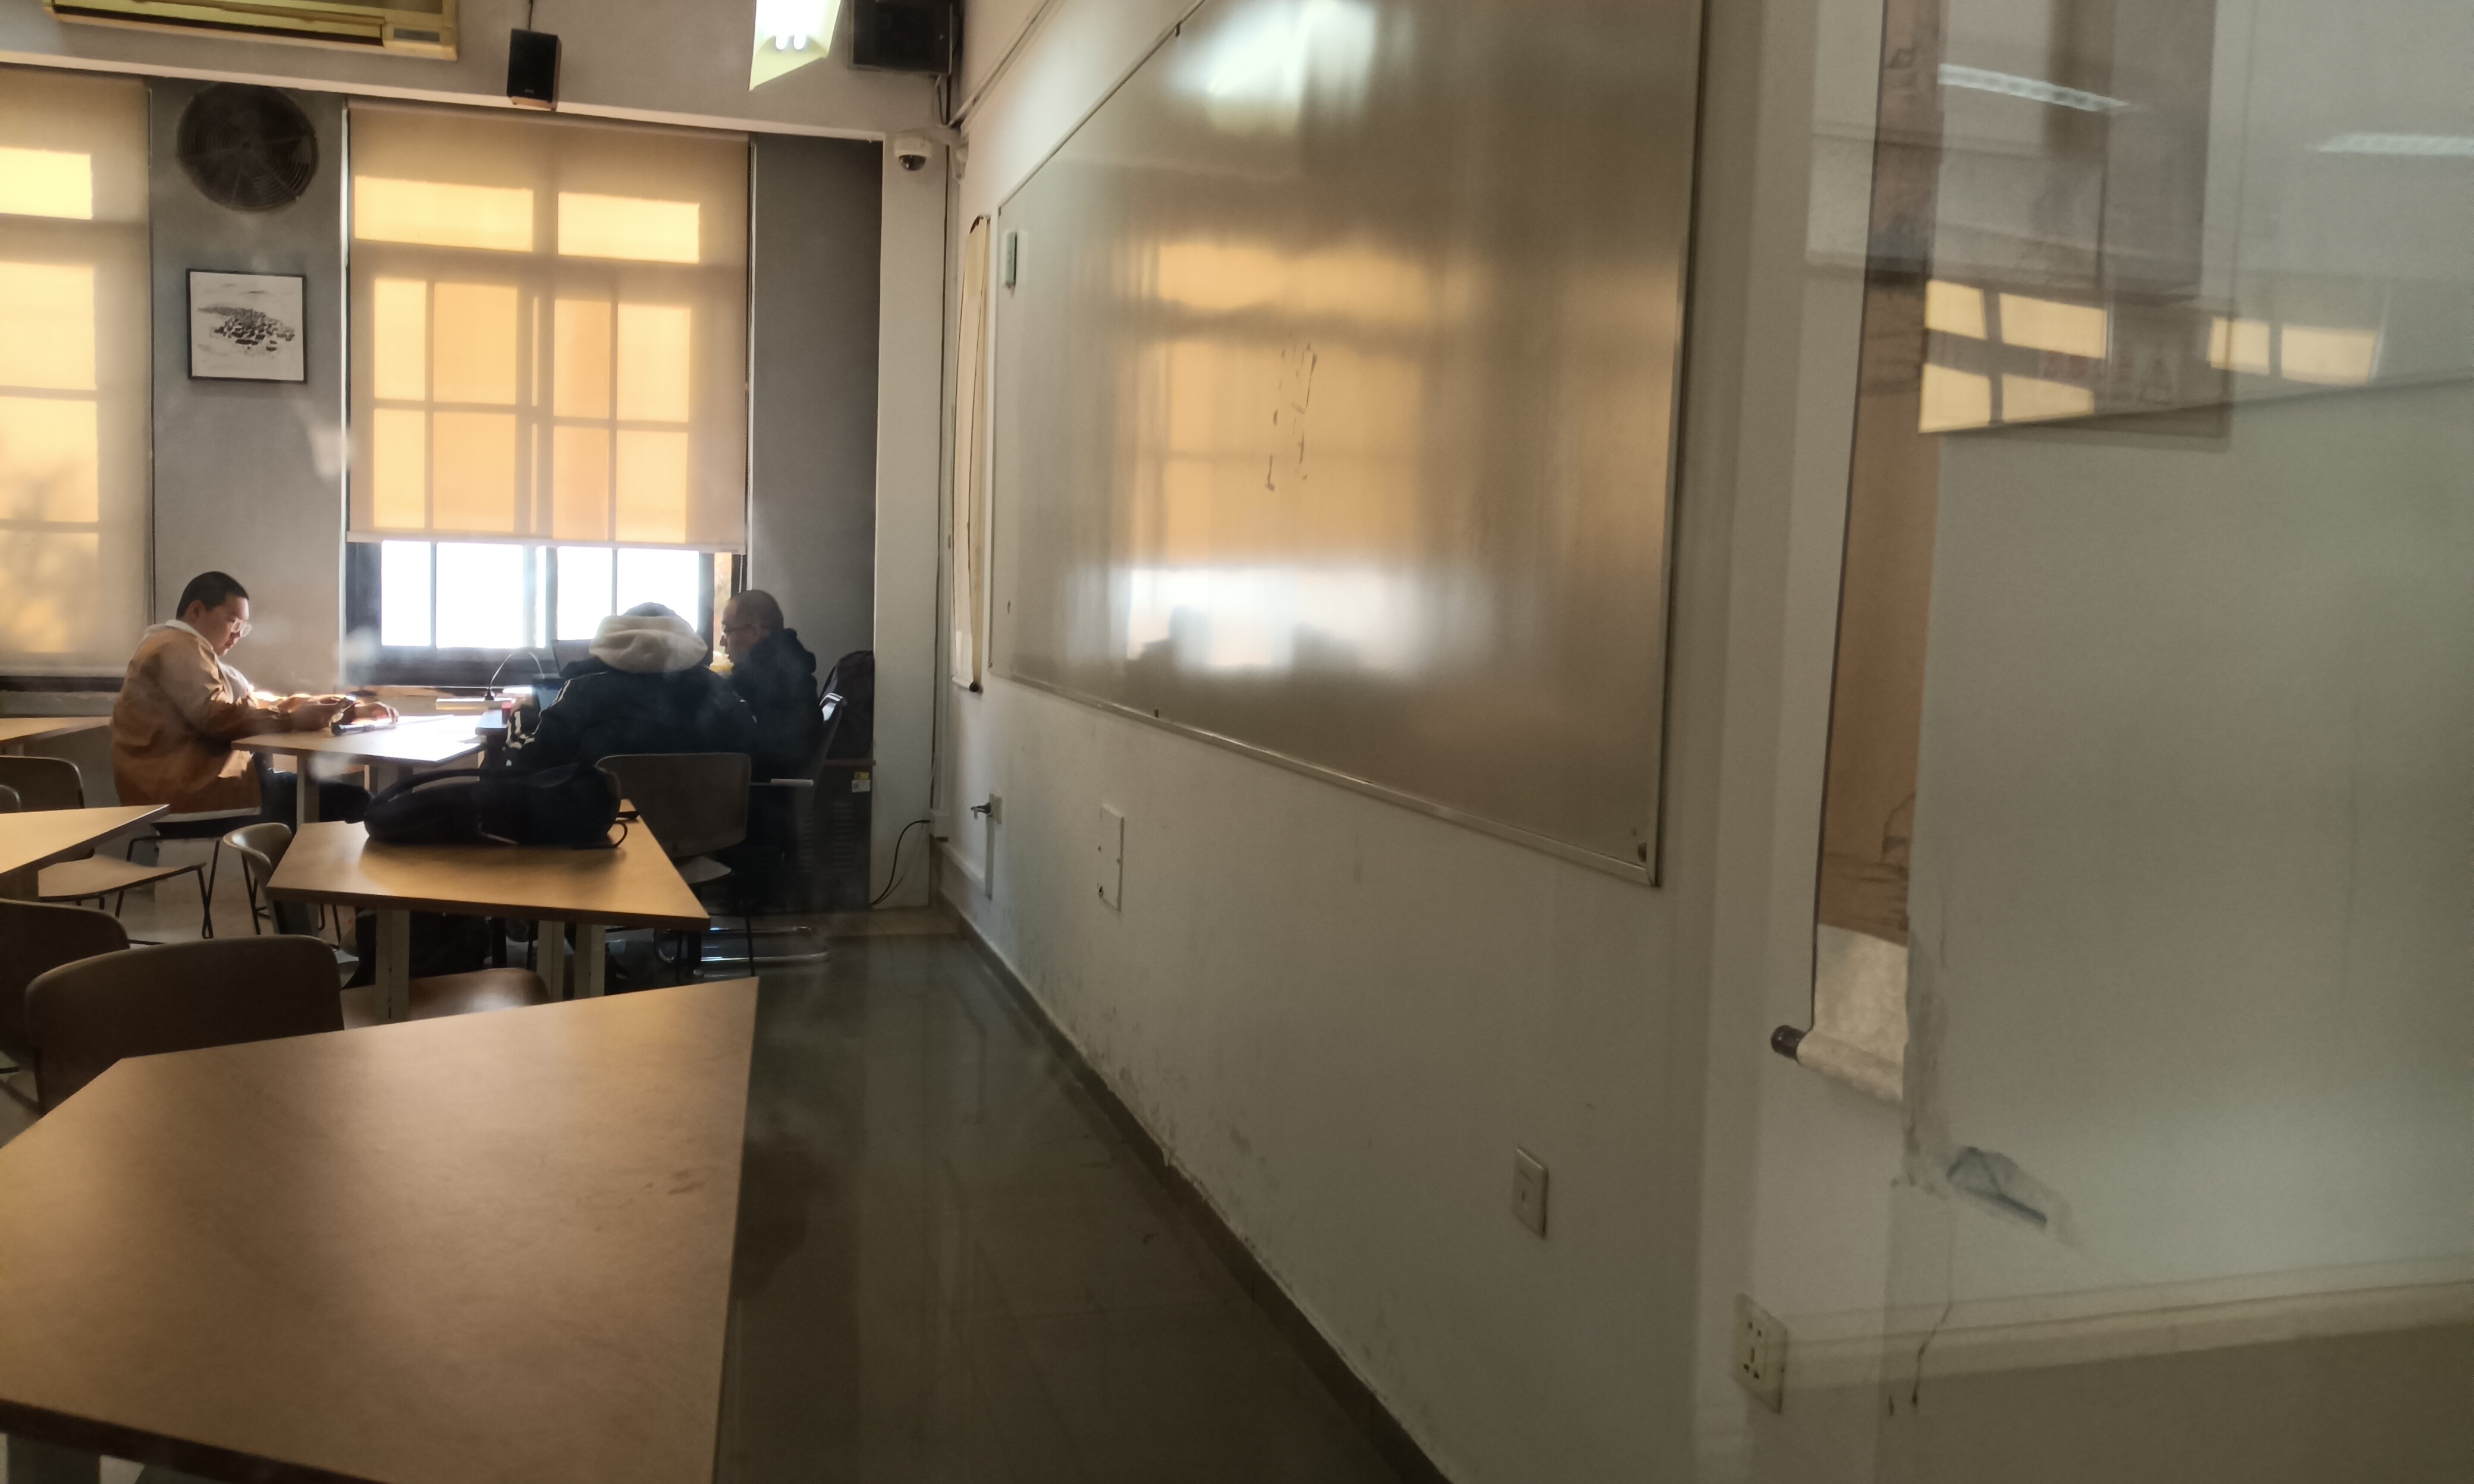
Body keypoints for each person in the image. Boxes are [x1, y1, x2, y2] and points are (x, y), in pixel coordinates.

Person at [112, 572, 386, 821]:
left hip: (192, 787)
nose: (237, 636)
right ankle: (303, 874)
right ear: (196, 611)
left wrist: (345, 709)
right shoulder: (177, 647)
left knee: (329, 796)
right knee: (356, 802)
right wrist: (292, 719)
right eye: (232, 622)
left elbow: (255, 703)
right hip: (190, 793)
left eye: (243, 628)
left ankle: (293, 872)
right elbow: (215, 715)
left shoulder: (186, 650)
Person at [515, 603, 754, 771]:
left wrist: (521, 717)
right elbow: (750, 752)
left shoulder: (584, 691)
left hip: (607, 832)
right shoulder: (719, 692)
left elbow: (532, 758)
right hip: (709, 833)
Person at [719, 589, 824, 779]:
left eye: (726, 630)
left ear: (754, 632)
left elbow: (775, 753)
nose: (721, 641)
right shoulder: (783, 665)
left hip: (761, 795)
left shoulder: (771, 676)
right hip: (773, 791)